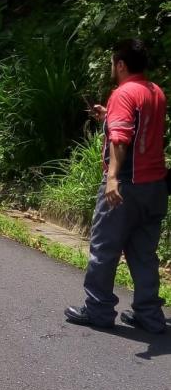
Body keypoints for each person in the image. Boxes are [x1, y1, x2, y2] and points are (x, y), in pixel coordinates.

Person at [65, 39, 168, 333]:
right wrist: (107, 117)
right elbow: (140, 130)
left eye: (113, 63)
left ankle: (98, 310)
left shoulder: (123, 94)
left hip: (127, 186)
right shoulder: (155, 92)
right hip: (155, 186)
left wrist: (112, 179)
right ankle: (149, 316)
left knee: (104, 248)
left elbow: (121, 139)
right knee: (144, 253)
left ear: (121, 65)